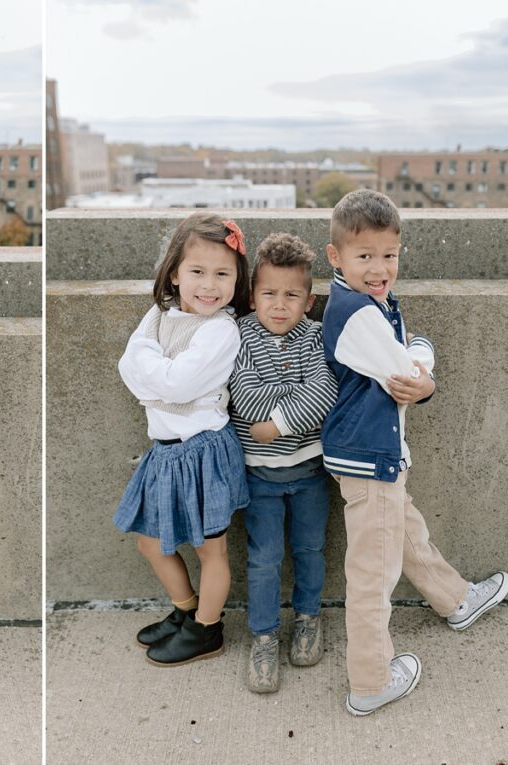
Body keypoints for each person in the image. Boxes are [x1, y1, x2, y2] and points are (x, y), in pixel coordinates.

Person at [322, 188, 508, 716]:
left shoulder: (363, 301)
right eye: (365, 257)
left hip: (370, 454)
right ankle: (371, 681)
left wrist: (416, 355)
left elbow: (403, 358)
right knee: (371, 576)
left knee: (405, 534)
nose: (380, 268)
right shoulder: (358, 313)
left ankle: (455, 600)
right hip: (368, 457)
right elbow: (409, 376)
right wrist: (424, 361)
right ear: (335, 256)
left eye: (390, 255)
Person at [114, 214, 251, 666]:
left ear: (237, 280)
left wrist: (152, 369)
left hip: (203, 451)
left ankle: (208, 629)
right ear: (175, 272)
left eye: (222, 274)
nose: (209, 285)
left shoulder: (220, 330)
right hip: (166, 453)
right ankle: (187, 610)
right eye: (197, 272)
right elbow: (127, 369)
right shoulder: (158, 314)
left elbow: (172, 383)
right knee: (151, 541)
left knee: (210, 549)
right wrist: (157, 374)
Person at [229, 233, 337, 693]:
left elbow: (326, 392)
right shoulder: (239, 336)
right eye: (269, 294)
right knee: (265, 558)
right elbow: (244, 394)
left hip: (312, 472)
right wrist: (294, 403)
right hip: (259, 477)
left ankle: (309, 618)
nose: (279, 305)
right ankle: (265, 634)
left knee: (311, 551)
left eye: (292, 295)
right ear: (253, 296)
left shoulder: (315, 337)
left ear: (308, 300)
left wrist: (276, 424)